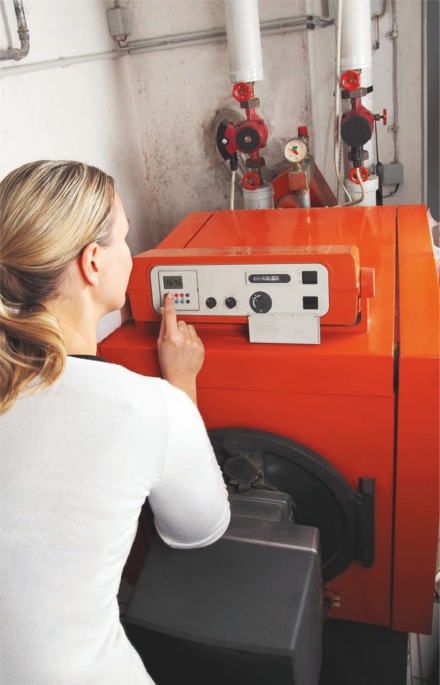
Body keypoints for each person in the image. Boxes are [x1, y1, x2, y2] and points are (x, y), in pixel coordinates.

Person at [0, 160, 230, 685]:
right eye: (126, 237)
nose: (131, 253)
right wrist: (182, 385)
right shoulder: (146, 407)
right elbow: (199, 529)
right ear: (92, 263)